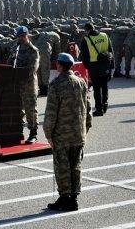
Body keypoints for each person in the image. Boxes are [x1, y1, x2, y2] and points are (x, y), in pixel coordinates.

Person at [44, 53, 91, 212]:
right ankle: (74, 197)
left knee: (62, 166)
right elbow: (88, 107)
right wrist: (86, 127)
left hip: (62, 135)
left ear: (59, 65)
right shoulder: (81, 82)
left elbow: (51, 113)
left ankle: (65, 197)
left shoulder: (56, 85)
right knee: (76, 165)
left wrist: (48, 133)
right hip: (78, 133)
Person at [8, 26, 40, 143]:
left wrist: (19, 70)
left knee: (30, 109)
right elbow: (9, 63)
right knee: (17, 110)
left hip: (28, 85)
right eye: (19, 36)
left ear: (27, 35)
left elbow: (32, 69)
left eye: (22, 36)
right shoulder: (15, 48)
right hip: (16, 84)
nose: (20, 38)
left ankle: (33, 133)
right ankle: (18, 131)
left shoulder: (33, 50)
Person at [79, 22, 113, 116]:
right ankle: (105, 105)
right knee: (105, 86)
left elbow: (84, 56)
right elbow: (111, 50)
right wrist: (111, 65)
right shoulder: (104, 35)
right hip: (105, 64)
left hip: (94, 66)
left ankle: (99, 109)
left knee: (97, 89)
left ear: (86, 30)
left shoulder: (86, 39)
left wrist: (87, 67)